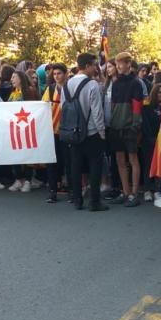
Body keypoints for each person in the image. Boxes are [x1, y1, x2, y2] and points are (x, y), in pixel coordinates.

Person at [66, 53, 108, 212]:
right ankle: (94, 201)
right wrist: (102, 132)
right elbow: (97, 112)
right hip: (91, 131)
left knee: (76, 165)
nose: (96, 68)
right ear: (88, 65)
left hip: (74, 131)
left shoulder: (68, 84)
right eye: (94, 65)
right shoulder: (92, 85)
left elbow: (65, 107)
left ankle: (77, 199)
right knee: (95, 166)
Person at [107, 52, 144, 207]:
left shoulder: (136, 83)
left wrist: (135, 125)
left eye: (121, 63)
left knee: (133, 159)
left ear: (129, 63)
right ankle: (126, 191)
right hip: (116, 126)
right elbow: (113, 105)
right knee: (119, 160)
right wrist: (111, 123)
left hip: (130, 127)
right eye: (117, 63)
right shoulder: (115, 83)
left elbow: (137, 106)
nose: (118, 66)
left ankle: (134, 194)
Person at [42, 63, 68, 204]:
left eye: (59, 73)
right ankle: (53, 191)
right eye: (55, 74)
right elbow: (43, 107)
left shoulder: (70, 88)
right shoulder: (50, 89)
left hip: (67, 131)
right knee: (52, 162)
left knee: (68, 161)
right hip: (52, 131)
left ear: (65, 74)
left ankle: (71, 189)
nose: (57, 76)